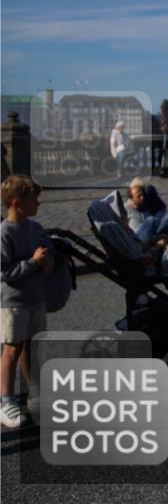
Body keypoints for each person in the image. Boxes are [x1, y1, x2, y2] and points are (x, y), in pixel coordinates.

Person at [1, 175, 53, 428]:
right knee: (12, 349)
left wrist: (47, 263)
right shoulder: (4, 232)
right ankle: (6, 400)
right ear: (16, 202)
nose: (38, 204)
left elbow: (46, 258)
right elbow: (4, 272)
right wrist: (33, 262)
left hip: (36, 297)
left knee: (33, 347)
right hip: (13, 301)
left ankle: (36, 394)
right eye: (33, 200)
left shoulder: (35, 228)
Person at [125, 177, 168, 245]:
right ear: (131, 198)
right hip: (138, 237)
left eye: (142, 194)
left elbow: (161, 210)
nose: (142, 197)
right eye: (139, 196)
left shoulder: (147, 200)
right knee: (150, 220)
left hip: (152, 232)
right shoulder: (125, 208)